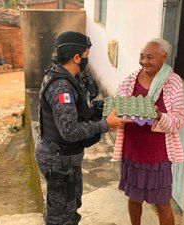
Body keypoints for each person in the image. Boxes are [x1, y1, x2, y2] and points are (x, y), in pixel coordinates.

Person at [35, 31, 132, 225]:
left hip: (67, 158)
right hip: (58, 160)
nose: (88, 60)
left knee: (71, 206)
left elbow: (80, 109)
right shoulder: (61, 86)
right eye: (87, 55)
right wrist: (105, 125)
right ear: (77, 57)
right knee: (60, 216)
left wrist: (105, 106)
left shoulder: (69, 77)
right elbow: (70, 131)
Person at [113, 38, 184, 225]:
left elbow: (179, 120)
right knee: (134, 197)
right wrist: (119, 113)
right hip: (133, 150)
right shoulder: (131, 79)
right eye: (142, 56)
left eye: (150, 57)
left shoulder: (173, 83)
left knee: (162, 203)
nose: (144, 61)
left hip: (157, 155)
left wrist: (159, 115)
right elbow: (117, 106)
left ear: (164, 57)